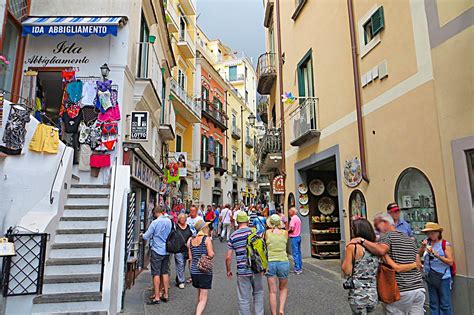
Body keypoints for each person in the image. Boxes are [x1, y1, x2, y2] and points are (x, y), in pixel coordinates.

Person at [349, 213, 424, 314]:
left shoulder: (387, 236)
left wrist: (362, 240)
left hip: (400, 289)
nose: (376, 229)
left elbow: (381, 250)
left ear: (384, 222)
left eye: (376, 226)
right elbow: (417, 261)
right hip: (418, 288)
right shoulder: (408, 239)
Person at [226, 211, 264, 315]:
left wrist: (229, 270)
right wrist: (264, 267)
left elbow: (228, 257)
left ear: (237, 222)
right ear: (247, 221)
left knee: (243, 298)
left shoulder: (233, 236)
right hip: (256, 268)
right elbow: (261, 251)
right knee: (258, 293)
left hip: (242, 270)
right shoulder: (255, 232)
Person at [342, 218, 379, 314]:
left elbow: (347, 271)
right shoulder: (375, 247)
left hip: (358, 294)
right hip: (373, 293)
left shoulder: (353, 247)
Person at [418, 222, 454, 315]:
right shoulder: (427, 243)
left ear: (438, 232)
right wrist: (422, 246)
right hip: (430, 276)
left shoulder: (445, 244)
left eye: (433, 232)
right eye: (428, 233)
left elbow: (450, 261)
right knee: (433, 303)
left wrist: (437, 255)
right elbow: (419, 254)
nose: (430, 235)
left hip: (443, 277)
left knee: (445, 304)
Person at [142, 207, 172, 305]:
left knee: (156, 273)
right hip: (167, 250)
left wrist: (142, 235)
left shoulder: (154, 223)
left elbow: (146, 236)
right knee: (165, 272)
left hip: (157, 250)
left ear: (155, 213)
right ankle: (166, 294)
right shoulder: (168, 221)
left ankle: (157, 296)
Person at [188, 219, 214, 315]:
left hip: (194, 270)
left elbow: (190, 258)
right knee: (203, 298)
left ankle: (200, 312)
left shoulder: (190, 240)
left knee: (199, 293)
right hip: (204, 271)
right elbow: (211, 254)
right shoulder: (206, 239)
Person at [265, 214, 290, 315]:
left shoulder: (267, 233)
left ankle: (274, 313)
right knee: (283, 288)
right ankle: (281, 309)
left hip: (271, 262)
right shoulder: (285, 233)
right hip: (283, 261)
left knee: (272, 291)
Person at [175, 213, 193, 289]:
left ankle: (178, 278)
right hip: (177, 248)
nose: (182, 219)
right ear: (179, 219)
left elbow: (193, 235)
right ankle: (181, 281)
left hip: (186, 249)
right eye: (181, 218)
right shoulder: (175, 227)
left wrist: (190, 239)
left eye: (184, 218)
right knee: (180, 264)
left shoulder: (189, 227)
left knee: (183, 264)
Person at [288, 207, 303, 274]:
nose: (289, 212)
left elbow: (292, 229)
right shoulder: (298, 218)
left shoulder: (293, 219)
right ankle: (299, 267)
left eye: (290, 211)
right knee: (298, 253)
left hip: (294, 237)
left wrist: (286, 232)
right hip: (298, 236)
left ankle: (297, 268)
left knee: (295, 253)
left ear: (293, 212)